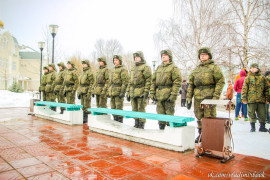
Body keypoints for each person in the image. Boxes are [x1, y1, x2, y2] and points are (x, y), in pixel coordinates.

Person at [186, 47, 225, 143]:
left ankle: (210, 136)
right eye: (201, 55)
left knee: (209, 116)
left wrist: (215, 97)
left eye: (204, 54)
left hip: (209, 97)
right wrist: (189, 98)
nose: (202, 56)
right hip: (198, 96)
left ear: (209, 56)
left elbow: (220, 82)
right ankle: (201, 134)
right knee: (199, 116)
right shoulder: (196, 69)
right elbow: (191, 84)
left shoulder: (214, 68)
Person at [150, 49, 182, 130]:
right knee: (160, 115)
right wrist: (152, 92)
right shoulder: (158, 68)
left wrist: (173, 95)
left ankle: (170, 132)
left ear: (169, 57)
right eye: (162, 55)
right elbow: (153, 81)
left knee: (169, 115)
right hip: (159, 95)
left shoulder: (174, 68)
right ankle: (161, 130)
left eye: (165, 55)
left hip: (168, 94)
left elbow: (177, 82)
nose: (163, 56)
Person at [241, 63, 269, 132]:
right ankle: (252, 127)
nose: (253, 69)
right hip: (251, 99)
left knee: (262, 113)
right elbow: (244, 89)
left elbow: (266, 89)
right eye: (252, 68)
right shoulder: (248, 78)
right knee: (251, 113)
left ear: (257, 69)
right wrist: (244, 98)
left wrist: (267, 98)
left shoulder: (262, 78)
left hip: (261, 99)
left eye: (254, 68)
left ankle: (262, 127)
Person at [127, 51, 151, 129]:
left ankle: (141, 124)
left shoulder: (145, 67)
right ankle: (136, 122)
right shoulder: (133, 68)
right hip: (133, 92)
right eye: (135, 57)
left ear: (141, 57)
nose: (136, 59)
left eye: (137, 57)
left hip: (141, 91)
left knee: (141, 108)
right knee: (134, 108)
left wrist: (146, 91)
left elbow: (148, 80)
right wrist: (128, 92)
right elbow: (130, 81)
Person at [108, 55, 128, 123]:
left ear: (120, 61)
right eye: (114, 60)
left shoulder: (123, 69)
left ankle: (119, 123)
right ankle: (115, 121)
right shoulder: (113, 69)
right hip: (112, 92)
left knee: (118, 109)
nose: (115, 61)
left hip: (118, 91)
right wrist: (108, 91)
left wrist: (122, 92)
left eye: (116, 60)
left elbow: (125, 82)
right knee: (113, 108)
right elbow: (110, 82)